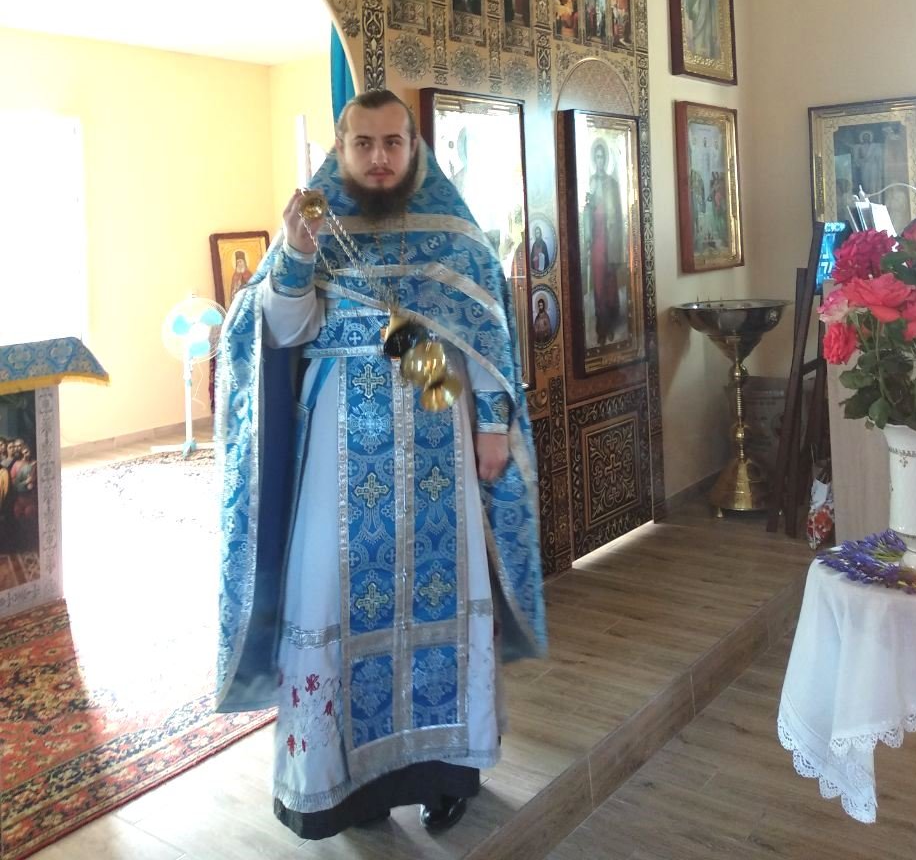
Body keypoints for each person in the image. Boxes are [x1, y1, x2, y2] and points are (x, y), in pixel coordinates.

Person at [215, 89, 546, 842]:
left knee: (442, 596)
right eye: (362, 144)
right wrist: (296, 255)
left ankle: (446, 773)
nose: (378, 158)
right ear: (340, 148)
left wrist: (493, 426)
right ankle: (344, 784)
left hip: (437, 441)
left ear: (413, 146)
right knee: (330, 592)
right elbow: (280, 330)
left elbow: (487, 334)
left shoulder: (452, 229)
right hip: (338, 448)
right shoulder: (314, 224)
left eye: (392, 142)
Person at [582, 139, 624, 346]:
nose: (599, 161)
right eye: (596, 157)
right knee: (598, 282)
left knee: (609, 281)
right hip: (596, 238)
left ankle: (611, 322)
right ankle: (601, 326)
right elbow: (587, 210)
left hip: (609, 238)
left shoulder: (612, 184)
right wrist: (588, 233)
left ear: (605, 159)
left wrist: (616, 242)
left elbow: (617, 215)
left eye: (602, 157)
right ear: (594, 159)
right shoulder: (591, 182)